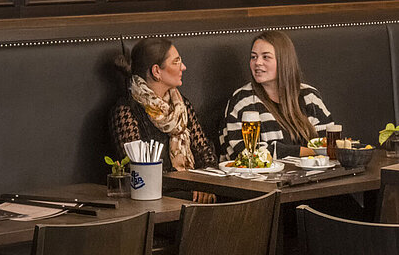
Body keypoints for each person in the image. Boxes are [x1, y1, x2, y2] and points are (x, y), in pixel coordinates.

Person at [109, 37, 216, 172]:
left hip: (191, 183)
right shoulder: (126, 110)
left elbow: (206, 155)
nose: (183, 67)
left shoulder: (181, 104)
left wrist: (205, 181)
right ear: (156, 71)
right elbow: (137, 169)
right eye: (176, 62)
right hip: (156, 185)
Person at [221, 30, 333, 159]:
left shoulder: (309, 96)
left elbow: (328, 144)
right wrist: (305, 152)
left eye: (266, 57)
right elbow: (247, 154)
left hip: (314, 171)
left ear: (284, 61)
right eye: (253, 57)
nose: (257, 62)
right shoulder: (242, 100)